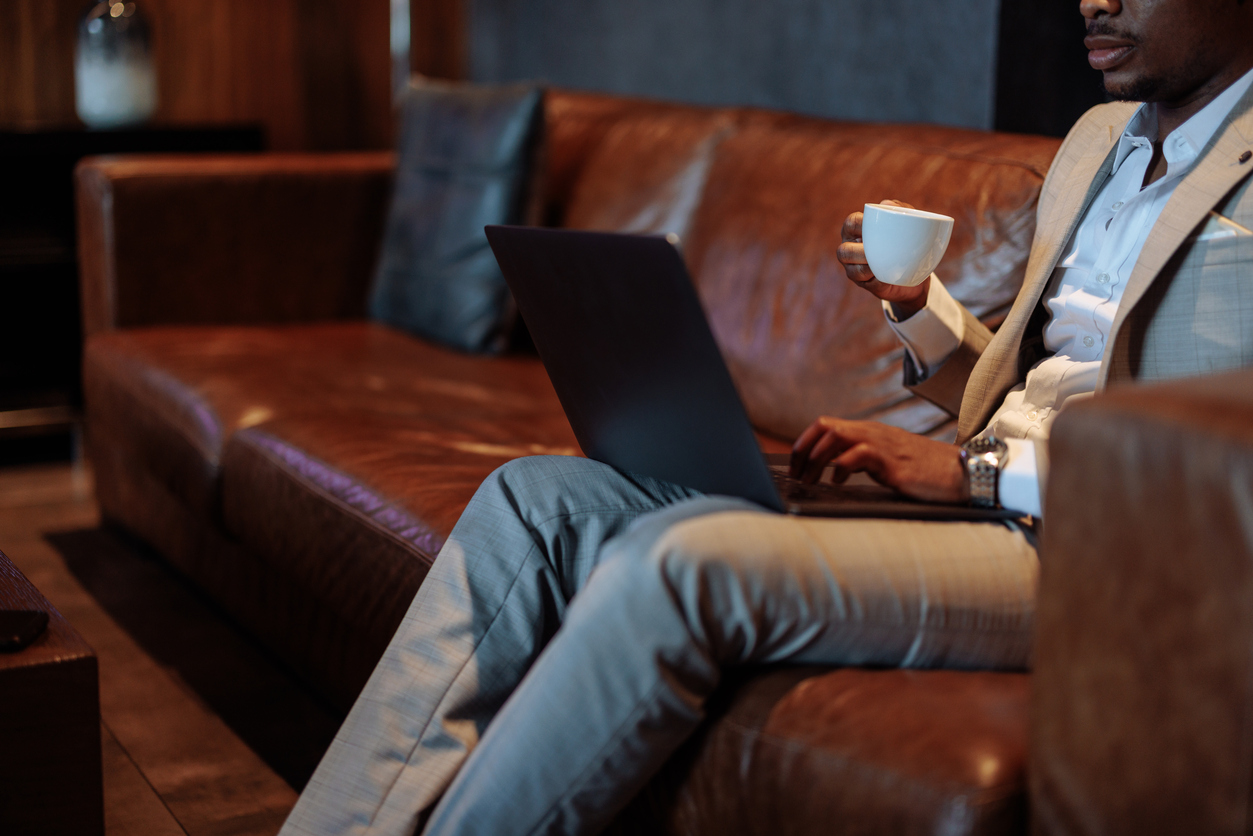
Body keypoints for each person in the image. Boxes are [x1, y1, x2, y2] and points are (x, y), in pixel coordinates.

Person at [281, 0, 1253, 833]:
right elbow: (1023, 386)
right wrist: (917, 304)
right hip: (982, 490)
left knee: (681, 558)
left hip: (1099, 555)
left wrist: (975, 475)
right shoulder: (1098, 141)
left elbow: (1223, 457)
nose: (1091, 0)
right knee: (533, 499)